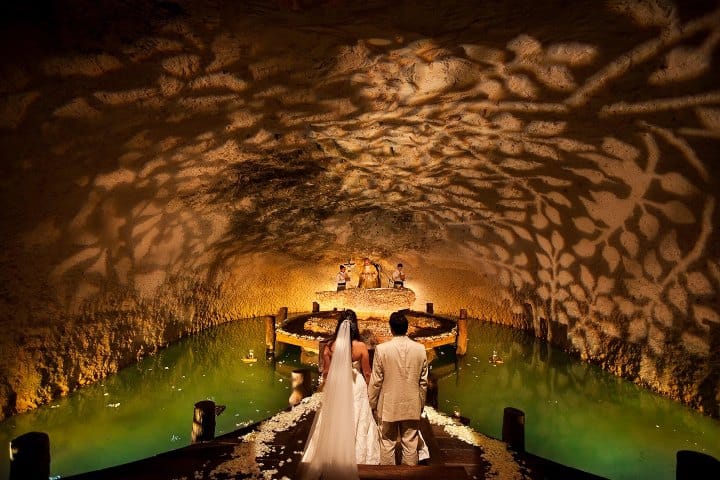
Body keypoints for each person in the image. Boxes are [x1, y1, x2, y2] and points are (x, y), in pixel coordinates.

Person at [299, 311, 381, 479]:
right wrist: (372, 393)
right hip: (355, 386)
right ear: (354, 326)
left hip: (337, 384)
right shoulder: (361, 347)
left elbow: (327, 374)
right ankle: (359, 457)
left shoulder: (330, 346)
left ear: (339, 325)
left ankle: (331, 453)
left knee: (334, 418)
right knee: (358, 417)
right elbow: (367, 373)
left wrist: (330, 390)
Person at [368, 311, 428, 465]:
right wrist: (420, 403)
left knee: (387, 443)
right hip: (412, 403)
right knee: (410, 444)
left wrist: (372, 404)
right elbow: (423, 382)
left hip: (389, 405)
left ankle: (388, 477)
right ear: (406, 328)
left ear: (391, 328)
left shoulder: (381, 349)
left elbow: (376, 381)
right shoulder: (420, 349)